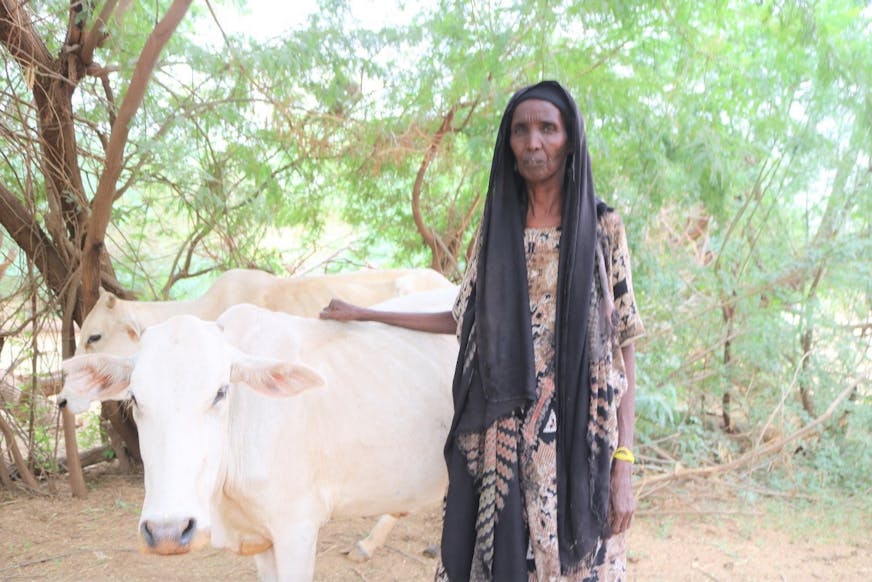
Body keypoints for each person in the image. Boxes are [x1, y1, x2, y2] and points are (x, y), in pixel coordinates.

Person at [320, 80, 644, 582]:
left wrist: (624, 459)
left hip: (582, 441)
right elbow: (463, 317)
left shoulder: (603, 228)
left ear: (570, 139)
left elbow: (624, 343)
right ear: (508, 144)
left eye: (547, 128)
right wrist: (369, 314)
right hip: (502, 441)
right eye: (520, 130)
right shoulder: (497, 230)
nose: (533, 142)